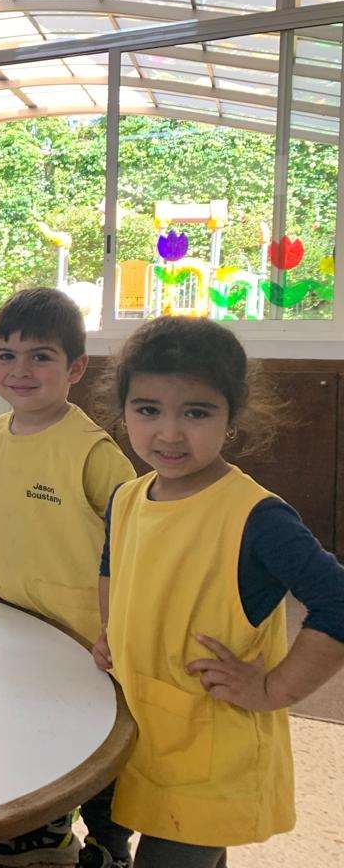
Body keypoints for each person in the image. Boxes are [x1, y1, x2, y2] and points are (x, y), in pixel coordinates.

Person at [96, 316, 344, 868]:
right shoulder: (127, 498)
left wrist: (274, 688)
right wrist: (111, 630)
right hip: (142, 727)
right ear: (123, 411)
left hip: (211, 754)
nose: (168, 433)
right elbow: (113, 564)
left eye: (196, 413)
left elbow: (338, 602)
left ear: (232, 418)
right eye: (148, 409)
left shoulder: (259, 517)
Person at [0, 288, 135, 868]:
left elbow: (135, 549)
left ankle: (107, 845)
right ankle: (36, 827)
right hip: (4, 622)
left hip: (79, 636)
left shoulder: (93, 453)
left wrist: (117, 627)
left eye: (40, 356)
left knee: (92, 747)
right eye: (6, 355)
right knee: (20, 730)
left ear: (76, 368)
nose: (20, 370)